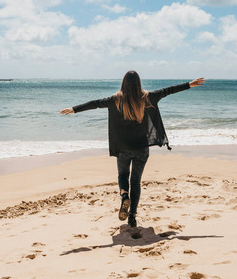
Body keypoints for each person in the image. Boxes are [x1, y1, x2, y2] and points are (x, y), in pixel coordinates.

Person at [61, 71, 205, 227]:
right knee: (135, 183)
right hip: (141, 148)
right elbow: (168, 91)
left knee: (122, 174)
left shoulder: (115, 100)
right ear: (139, 83)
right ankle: (132, 216)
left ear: (123, 83)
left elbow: (95, 103)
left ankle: (124, 196)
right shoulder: (147, 97)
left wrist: (74, 109)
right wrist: (189, 84)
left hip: (123, 148)